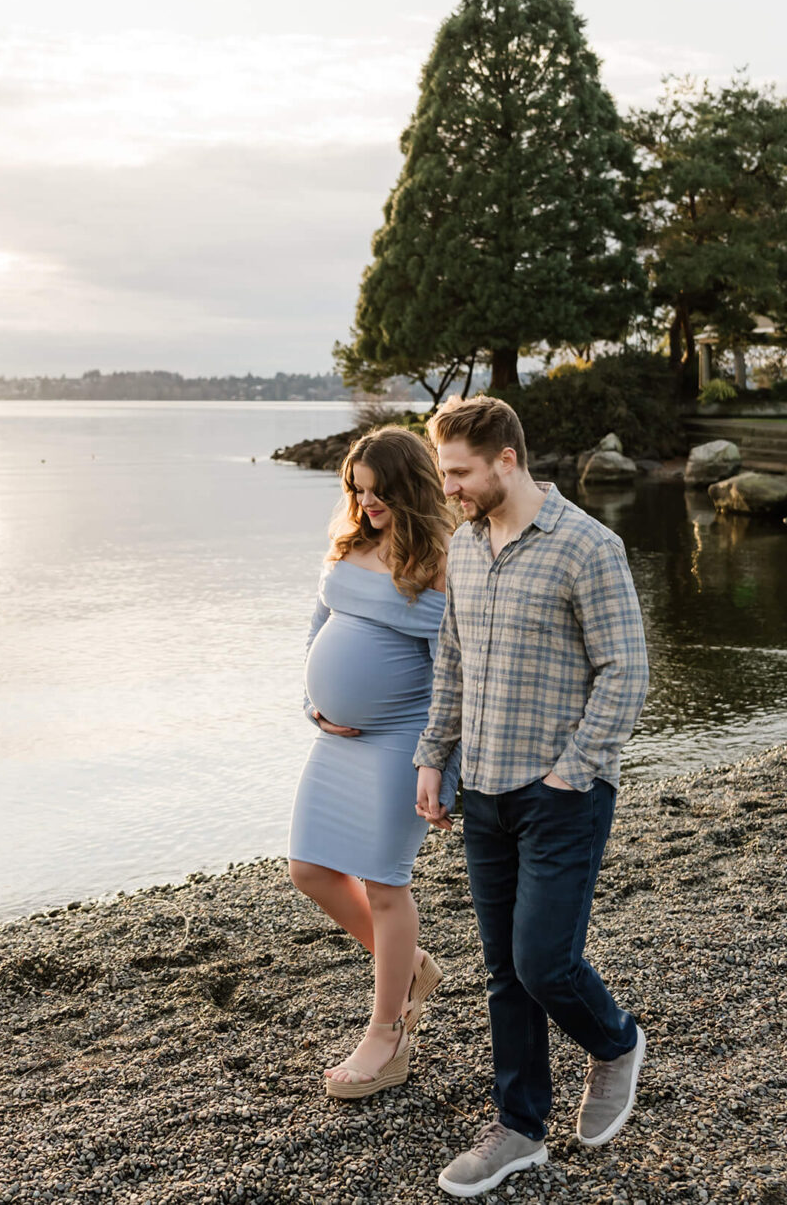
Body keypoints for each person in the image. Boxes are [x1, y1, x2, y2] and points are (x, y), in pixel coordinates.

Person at [412, 396, 651, 1198]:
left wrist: (573, 767)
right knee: (502, 973)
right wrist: (432, 760)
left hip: (562, 794)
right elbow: (451, 664)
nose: (448, 488)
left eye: (458, 473)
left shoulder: (589, 545)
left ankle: (615, 1042)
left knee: (544, 960)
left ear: (505, 459)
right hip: (482, 790)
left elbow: (626, 670)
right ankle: (519, 1127)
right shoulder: (465, 547)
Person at [288, 425, 461, 1099]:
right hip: (335, 741)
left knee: (386, 886)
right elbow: (316, 626)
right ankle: (411, 966)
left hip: (398, 743)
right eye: (355, 491)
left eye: (376, 491)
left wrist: (439, 767)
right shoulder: (352, 544)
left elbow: (455, 677)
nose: (365, 504)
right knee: (309, 870)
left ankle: (386, 1035)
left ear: (409, 486)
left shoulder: (442, 564)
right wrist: (314, 702)